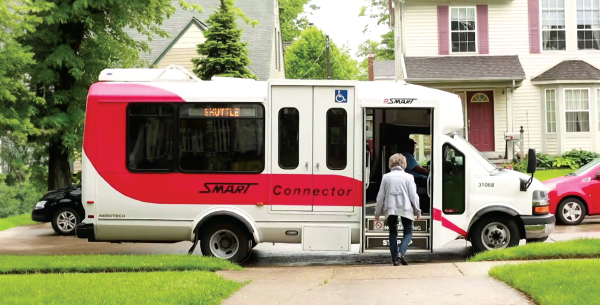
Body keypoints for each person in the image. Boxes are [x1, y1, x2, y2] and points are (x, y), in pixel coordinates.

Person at [374, 153, 422, 266]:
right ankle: (401, 252)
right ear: (404, 164)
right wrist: (417, 210)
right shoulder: (409, 177)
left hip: (390, 209)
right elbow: (413, 196)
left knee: (393, 233)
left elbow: (380, 196)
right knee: (408, 231)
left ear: (391, 164)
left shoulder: (386, 177)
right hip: (406, 208)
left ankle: (395, 259)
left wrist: (377, 213)